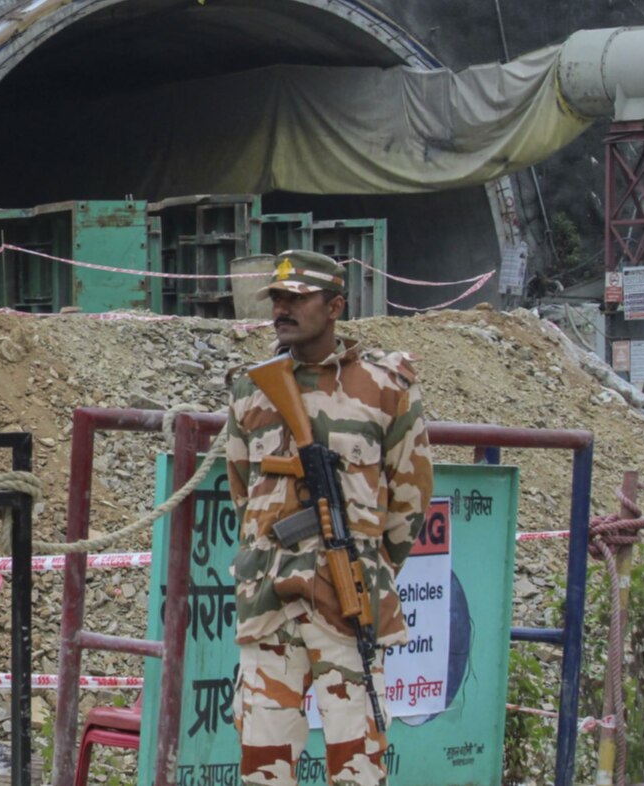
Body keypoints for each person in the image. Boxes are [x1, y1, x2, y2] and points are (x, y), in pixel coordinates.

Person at [225, 249, 433, 786]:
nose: (282, 309)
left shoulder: (385, 388)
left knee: (358, 766)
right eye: (277, 298)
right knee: (263, 767)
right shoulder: (251, 390)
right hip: (268, 602)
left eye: (298, 299)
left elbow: (409, 500)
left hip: (347, 601)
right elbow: (241, 490)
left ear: (336, 305)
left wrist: (366, 563)